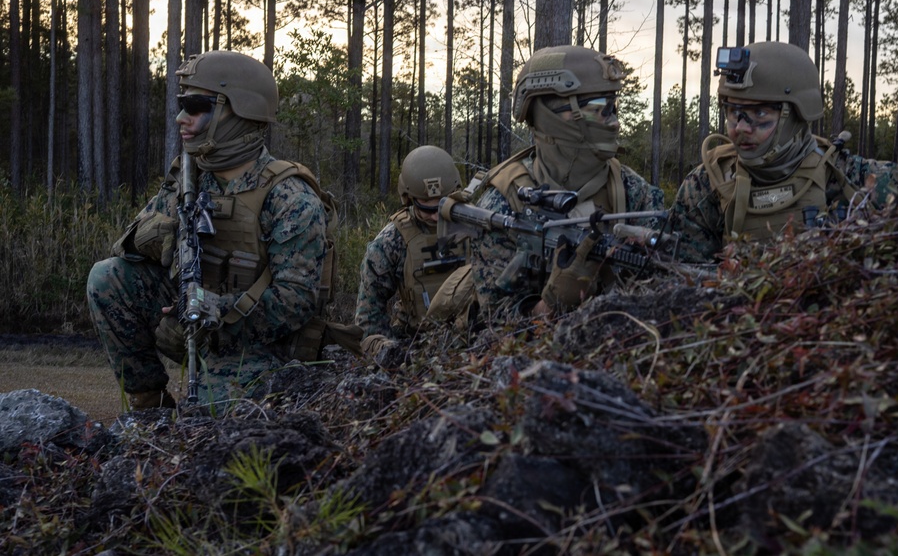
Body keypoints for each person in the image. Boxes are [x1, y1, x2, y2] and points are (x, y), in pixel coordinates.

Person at [87, 50, 329, 410]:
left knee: (212, 415)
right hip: (192, 328)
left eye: (195, 106)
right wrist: (155, 237)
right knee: (107, 277)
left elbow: (296, 303)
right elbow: (125, 247)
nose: (180, 118)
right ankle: (149, 407)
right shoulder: (190, 179)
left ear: (239, 112)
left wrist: (218, 310)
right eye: (181, 104)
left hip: (260, 347)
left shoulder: (289, 196)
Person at [669, 41, 898, 263]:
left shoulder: (850, 176)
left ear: (796, 117)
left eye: (760, 114)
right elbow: (682, 278)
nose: (741, 128)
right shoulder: (707, 184)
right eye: (734, 112)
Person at [467, 44, 664, 319]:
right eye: (599, 108)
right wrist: (550, 305)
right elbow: (494, 321)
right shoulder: (504, 203)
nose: (614, 122)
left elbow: (665, 296)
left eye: (613, 106)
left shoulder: (634, 192)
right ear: (552, 118)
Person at [355, 146, 468, 357]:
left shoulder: (476, 226)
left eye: (443, 204)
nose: (435, 216)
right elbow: (369, 317)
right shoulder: (390, 242)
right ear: (408, 197)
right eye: (426, 207)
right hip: (415, 342)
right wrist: (390, 352)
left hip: (475, 338)